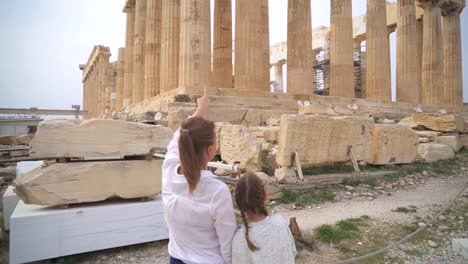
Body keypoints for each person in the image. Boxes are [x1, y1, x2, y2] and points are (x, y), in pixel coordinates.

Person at [162, 90, 237, 264]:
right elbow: (227, 243)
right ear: (211, 151)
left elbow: (180, 135)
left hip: (176, 258)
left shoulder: (168, 171)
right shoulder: (217, 191)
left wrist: (200, 109)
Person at [232, 173, 297, 264]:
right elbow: (292, 253)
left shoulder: (239, 238)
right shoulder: (281, 223)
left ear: (237, 202)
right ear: (265, 196)